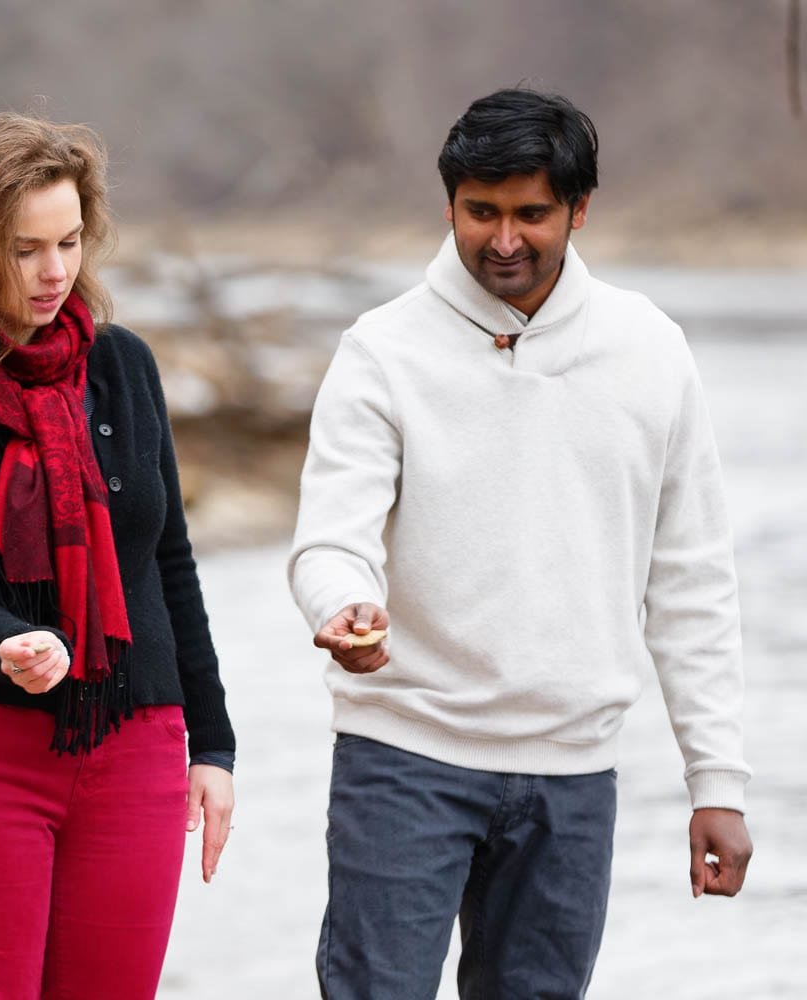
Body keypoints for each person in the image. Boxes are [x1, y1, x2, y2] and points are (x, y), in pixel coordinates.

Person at [288, 87, 753, 998]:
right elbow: (330, 535)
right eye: (481, 213)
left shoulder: (648, 350)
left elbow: (692, 578)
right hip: (405, 758)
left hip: (573, 776)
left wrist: (718, 781)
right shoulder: (383, 349)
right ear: (450, 205)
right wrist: (341, 605)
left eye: (532, 214)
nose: (505, 240)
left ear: (579, 210)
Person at [0, 112, 235, 999]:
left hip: (134, 742)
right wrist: (10, 644)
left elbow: (170, 564)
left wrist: (214, 746)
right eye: (24, 248)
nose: (54, 271)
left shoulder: (125, 368)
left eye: (69, 240)